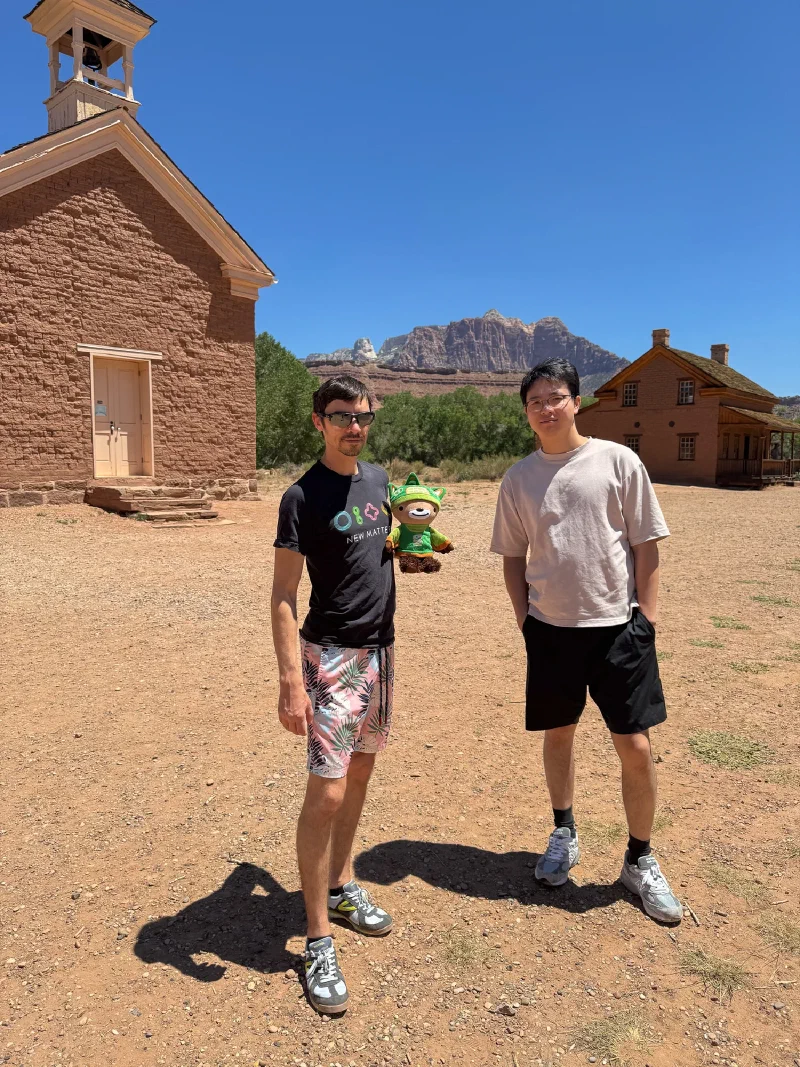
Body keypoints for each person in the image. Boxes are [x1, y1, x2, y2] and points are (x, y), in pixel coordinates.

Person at [490, 357, 682, 923]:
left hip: (619, 629)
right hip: (551, 632)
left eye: (555, 397)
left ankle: (639, 859)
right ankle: (563, 831)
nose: (546, 409)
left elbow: (646, 543)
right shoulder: (519, 478)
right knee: (558, 736)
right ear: (526, 413)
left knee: (636, 747)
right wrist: (526, 622)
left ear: (576, 401)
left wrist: (646, 617)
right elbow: (513, 559)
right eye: (534, 402)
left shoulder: (617, 461)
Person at [271, 375, 396, 1013]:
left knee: (363, 776)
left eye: (363, 415)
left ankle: (344, 884)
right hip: (331, 659)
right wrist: (292, 678)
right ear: (319, 421)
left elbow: (385, 551)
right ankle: (317, 936)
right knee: (328, 792)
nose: (355, 425)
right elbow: (284, 595)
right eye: (342, 415)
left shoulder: (379, 482)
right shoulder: (300, 496)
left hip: (380, 655)